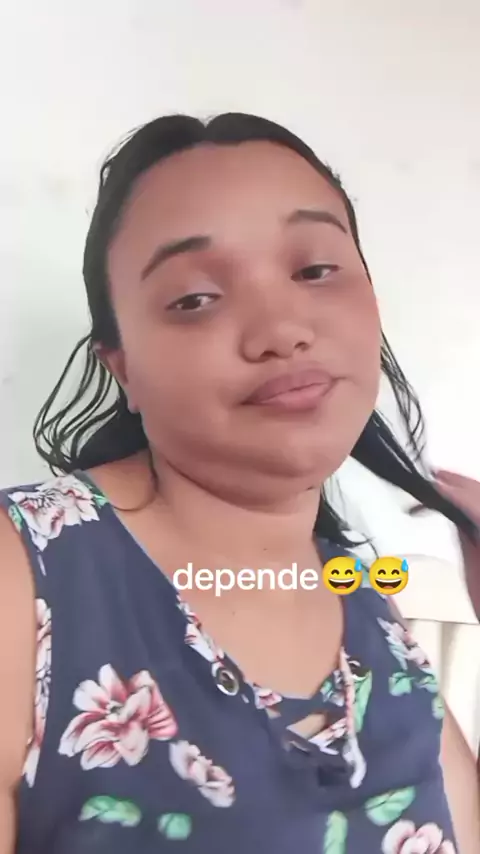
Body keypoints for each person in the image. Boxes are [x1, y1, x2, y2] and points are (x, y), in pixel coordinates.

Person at [0, 113, 478, 854]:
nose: (282, 330)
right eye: (194, 298)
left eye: (315, 270)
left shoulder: (368, 603)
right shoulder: (27, 573)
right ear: (123, 369)